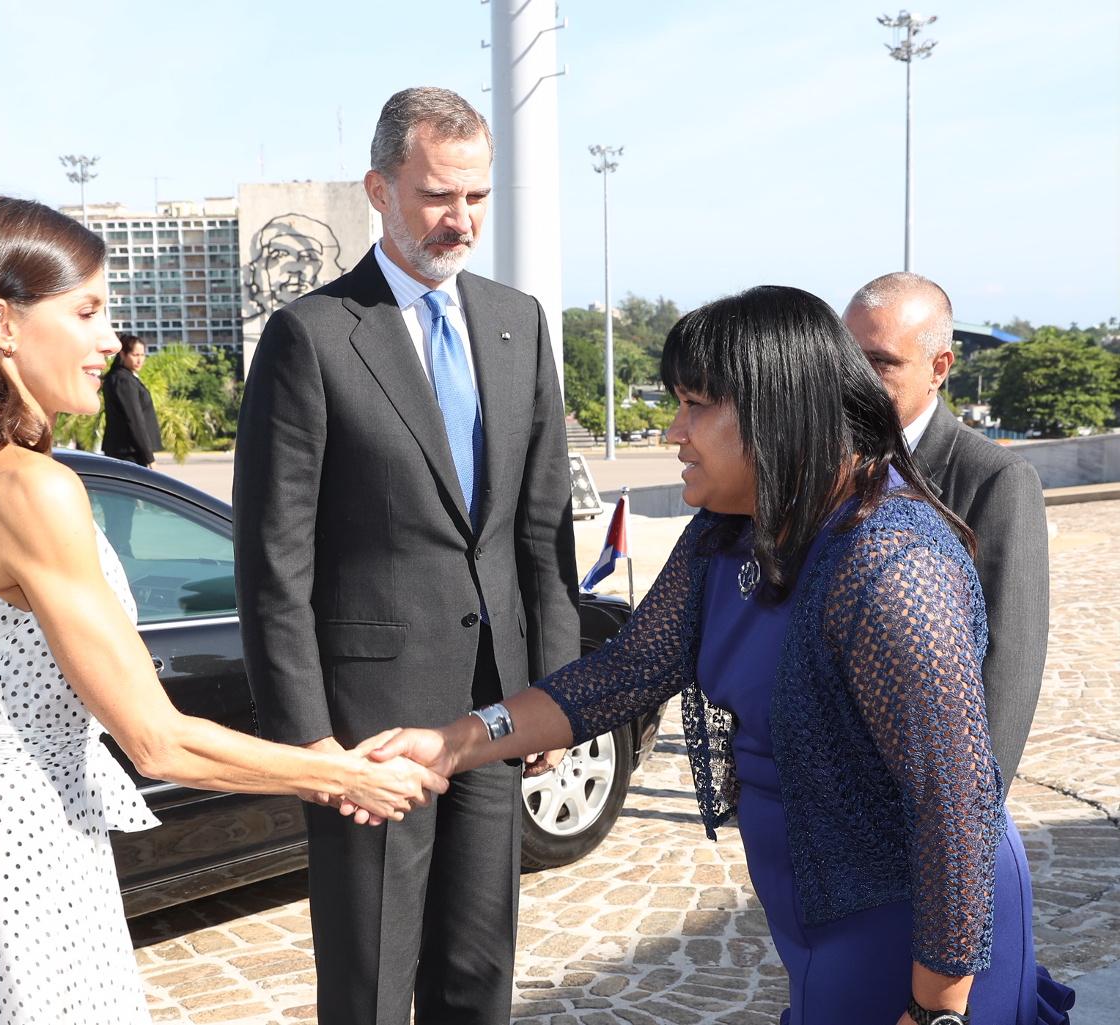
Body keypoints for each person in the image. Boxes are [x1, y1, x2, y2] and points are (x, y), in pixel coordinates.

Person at [370, 286, 1074, 1025]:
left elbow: (954, 803)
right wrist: (455, 742)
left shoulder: (889, 558)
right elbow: (621, 672)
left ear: (775, 411)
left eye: (695, 404)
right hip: (815, 914)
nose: (673, 430)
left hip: (923, 939)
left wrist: (937, 1010)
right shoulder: (727, 530)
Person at [0, 196, 445, 1025]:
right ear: (0, 322)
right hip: (29, 869)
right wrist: (343, 772)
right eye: (89, 310)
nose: (112, 339)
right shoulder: (32, 488)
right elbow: (155, 739)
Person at [233, 86, 579, 1025]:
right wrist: (311, 745)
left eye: (476, 197)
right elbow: (275, 565)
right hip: (366, 732)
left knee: (479, 974)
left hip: (495, 713)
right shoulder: (311, 336)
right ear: (379, 189)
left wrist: (553, 699)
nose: (460, 219)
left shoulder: (518, 322)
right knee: (373, 987)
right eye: (438, 195)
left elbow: (543, 531)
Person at [844, 272, 1049, 793]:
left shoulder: (995, 480)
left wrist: (968, 815)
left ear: (939, 368)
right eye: (847, 359)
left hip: (929, 799)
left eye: (882, 362)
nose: (856, 379)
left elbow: (1009, 666)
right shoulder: (825, 466)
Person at [100, 333, 162, 468]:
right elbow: (134, 419)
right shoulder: (123, 380)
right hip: (129, 453)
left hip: (129, 451)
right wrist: (148, 457)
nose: (140, 360)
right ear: (123, 354)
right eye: (135, 355)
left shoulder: (123, 377)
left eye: (142, 355)